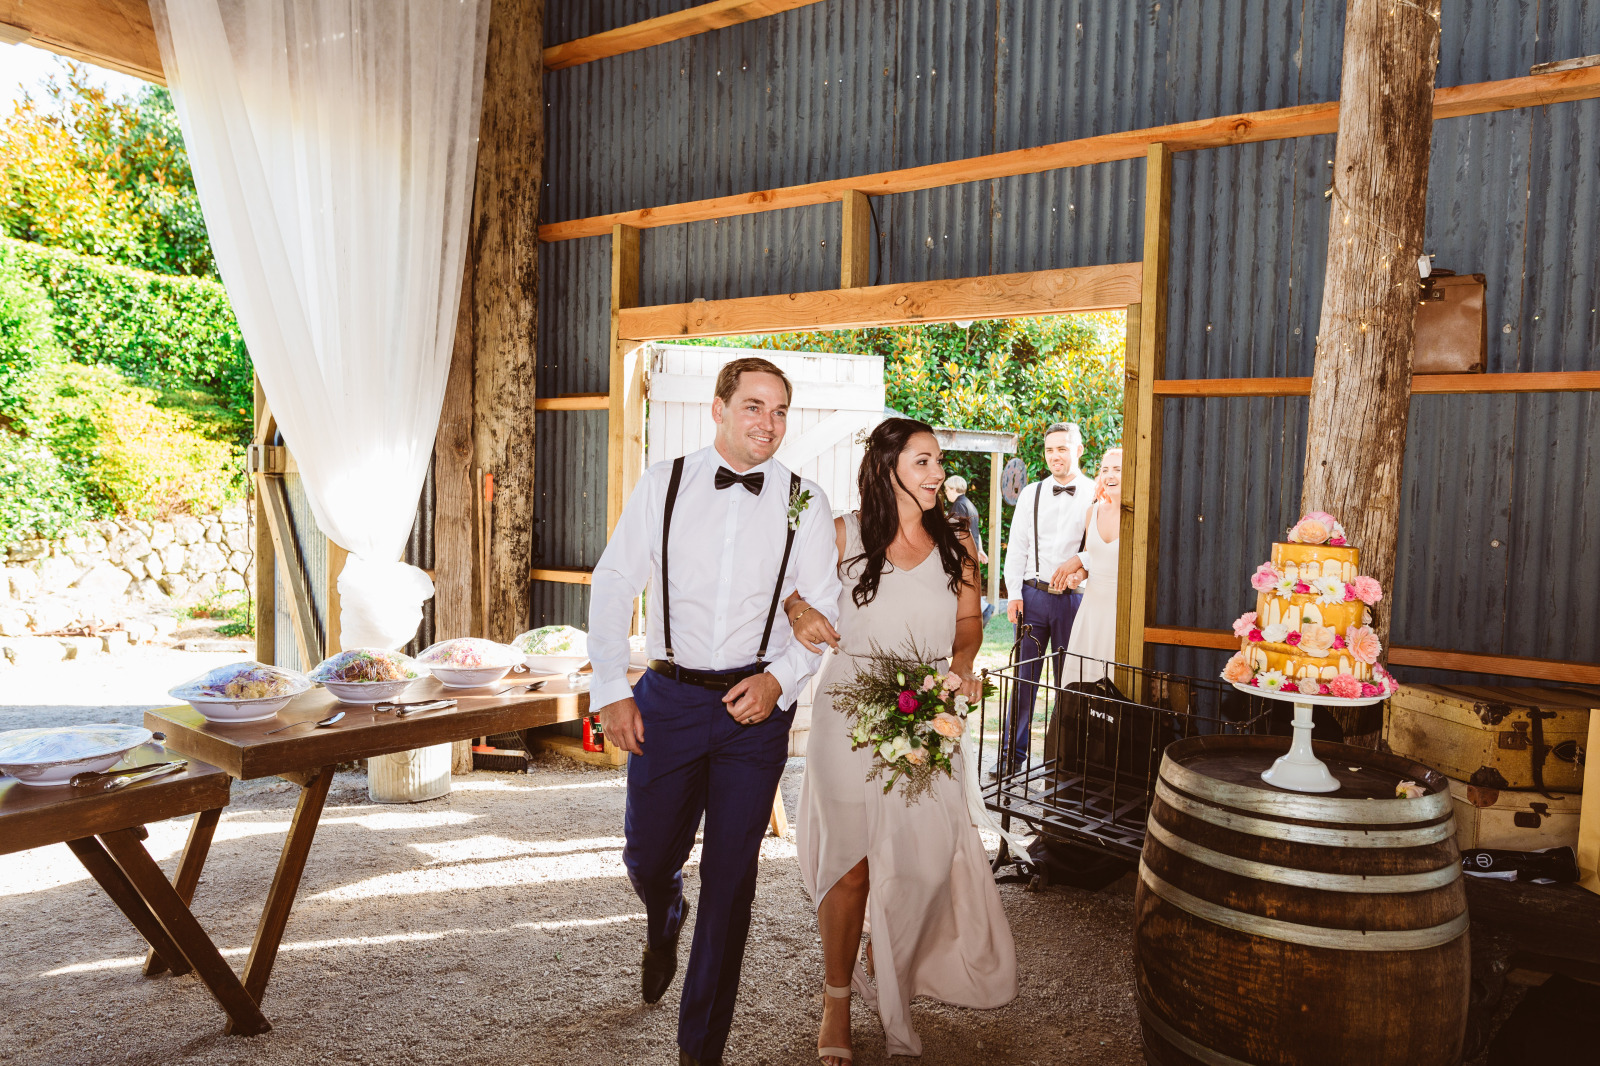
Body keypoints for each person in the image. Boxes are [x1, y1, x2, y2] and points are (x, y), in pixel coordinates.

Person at [588, 356, 843, 1066]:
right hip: (667, 698)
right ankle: (663, 907)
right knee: (647, 856)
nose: (769, 423)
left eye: (780, 410)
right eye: (754, 406)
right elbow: (614, 581)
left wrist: (780, 681)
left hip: (753, 712)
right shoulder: (663, 483)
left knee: (731, 883)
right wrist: (611, 688)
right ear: (719, 409)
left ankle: (700, 1049)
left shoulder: (803, 501)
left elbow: (821, 609)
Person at [782, 417, 1018, 1063]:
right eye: (923, 461)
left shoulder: (958, 543)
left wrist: (959, 670)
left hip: (927, 711)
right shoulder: (842, 533)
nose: (938, 473)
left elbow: (968, 625)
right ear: (887, 469)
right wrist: (800, 611)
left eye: (938, 461)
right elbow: (787, 586)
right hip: (847, 714)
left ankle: (885, 954)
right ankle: (836, 999)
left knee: (921, 862)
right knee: (851, 864)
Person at [998, 422, 1095, 774]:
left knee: (1068, 682)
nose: (1055, 456)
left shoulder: (1095, 493)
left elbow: (1103, 547)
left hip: (1074, 601)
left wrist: (1081, 563)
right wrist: (1014, 593)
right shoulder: (1032, 493)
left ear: (1078, 450)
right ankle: (1011, 756)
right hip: (1033, 596)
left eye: (1063, 448)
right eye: (1050, 449)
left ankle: (1064, 760)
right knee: (1023, 679)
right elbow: (1017, 546)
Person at [1063, 448, 1122, 680]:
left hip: (1119, 611)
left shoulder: (1139, 516)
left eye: (1117, 469)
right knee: (1083, 679)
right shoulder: (1092, 512)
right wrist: (1078, 575)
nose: (1109, 475)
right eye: (1105, 469)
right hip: (1091, 608)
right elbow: (1090, 559)